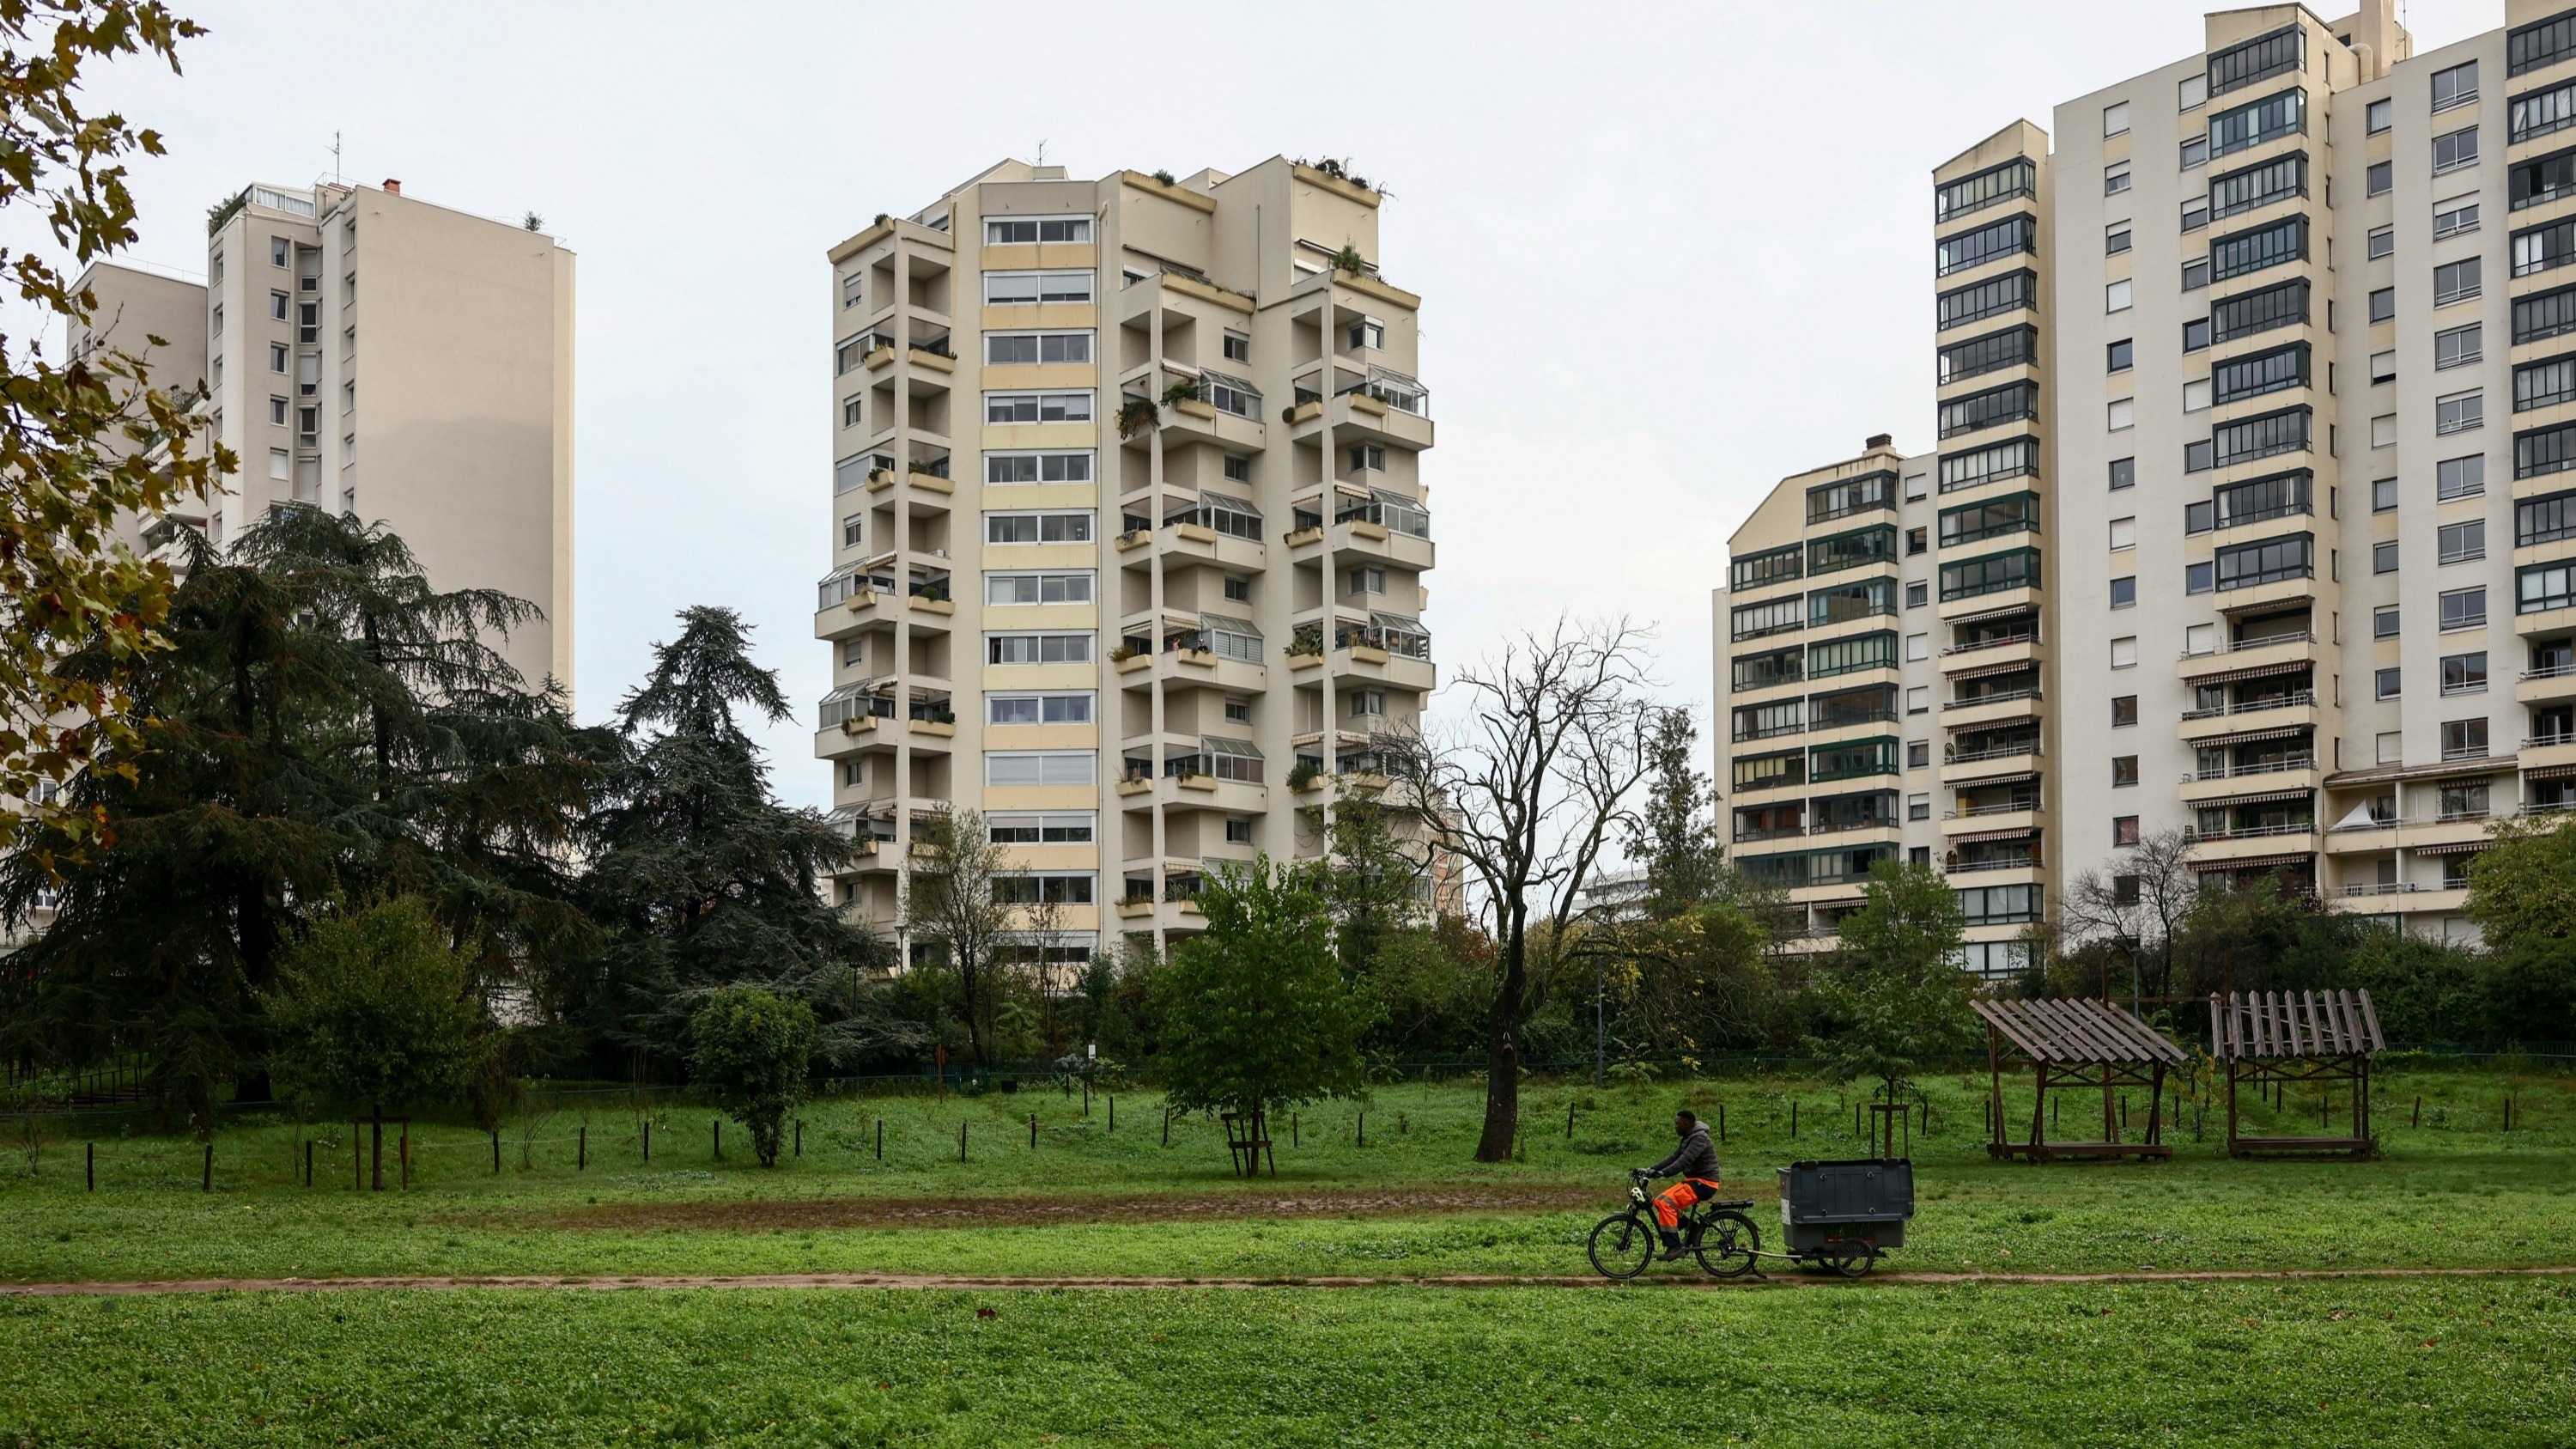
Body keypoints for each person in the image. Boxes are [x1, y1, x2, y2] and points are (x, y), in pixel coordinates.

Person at [1638, 1106, 1722, 1261]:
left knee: (1667, 1204)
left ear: (1687, 1124)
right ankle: (1694, 1228)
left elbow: (1684, 1161)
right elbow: (1673, 1158)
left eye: (1678, 1124)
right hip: (1694, 1181)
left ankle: (1675, 1247)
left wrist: (1664, 1173)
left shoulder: (1699, 1138)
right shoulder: (1689, 1137)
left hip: (1705, 1183)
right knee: (1659, 1201)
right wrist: (1650, 1170)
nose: (1675, 1127)